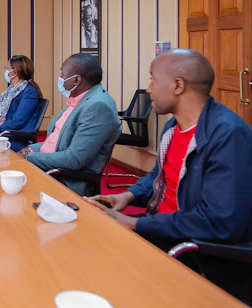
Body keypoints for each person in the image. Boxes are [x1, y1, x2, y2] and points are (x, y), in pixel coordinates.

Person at [86, 50, 252, 301]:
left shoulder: (228, 135)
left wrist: (136, 223)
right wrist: (127, 196)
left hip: (194, 251)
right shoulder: (174, 127)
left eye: (153, 79)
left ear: (177, 85)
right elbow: (158, 178)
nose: (149, 89)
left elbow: (220, 222)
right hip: (163, 231)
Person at [20, 53, 120, 196]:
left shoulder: (98, 106)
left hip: (66, 181)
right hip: (51, 168)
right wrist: (29, 149)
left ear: (76, 80)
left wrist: (29, 157)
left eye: (62, 74)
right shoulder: (79, 99)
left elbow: (74, 160)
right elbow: (57, 140)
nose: (60, 79)